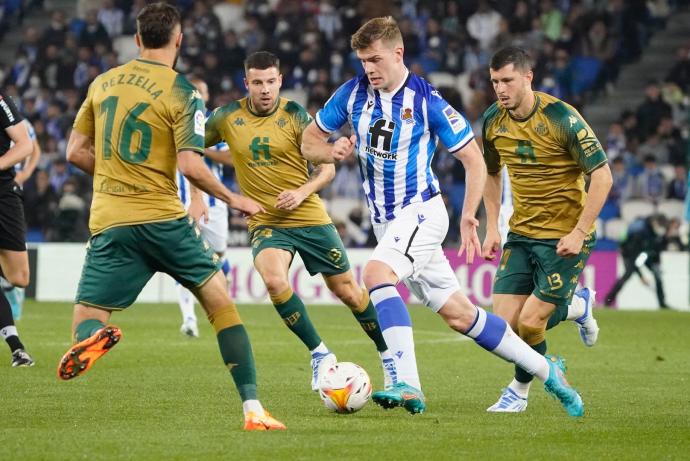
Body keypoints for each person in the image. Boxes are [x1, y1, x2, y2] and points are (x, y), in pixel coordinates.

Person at [301, 17, 584, 417]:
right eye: (363, 60)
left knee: (376, 275)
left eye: (375, 59)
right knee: (460, 315)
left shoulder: (426, 100)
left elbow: (473, 160)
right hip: (389, 224)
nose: (369, 69)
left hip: (422, 212)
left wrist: (470, 217)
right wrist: (331, 152)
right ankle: (549, 372)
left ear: (398, 53)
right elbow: (309, 142)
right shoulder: (351, 94)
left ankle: (407, 383)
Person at [56, 3, 285, 431]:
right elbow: (191, 165)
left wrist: (116, 175)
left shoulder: (102, 83)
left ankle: (92, 338)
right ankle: (253, 408)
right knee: (220, 305)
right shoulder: (183, 91)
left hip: (111, 220)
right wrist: (233, 199)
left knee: (87, 315)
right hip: (164, 218)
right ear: (178, 40)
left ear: (138, 39)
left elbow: (73, 152)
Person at [205, 51, 395, 392]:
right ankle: (320, 353)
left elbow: (326, 168)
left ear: (280, 81)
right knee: (274, 281)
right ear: (246, 83)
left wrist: (303, 189)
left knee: (349, 292)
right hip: (266, 222)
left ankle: (389, 358)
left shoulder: (294, 115)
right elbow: (189, 146)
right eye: (258, 83)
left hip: (308, 216)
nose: (265, 90)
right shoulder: (225, 117)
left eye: (271, 82)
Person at [481, 46, 612, 413]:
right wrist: (493, 227)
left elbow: (602, 176)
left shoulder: (561, 118)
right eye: (494, 82)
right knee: (504, 326)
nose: (500, 89)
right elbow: (491, 173)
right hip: (521, 233)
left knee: (531, 322)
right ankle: (578, 307)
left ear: (527, 77)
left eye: (507, 80)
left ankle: (518, 393)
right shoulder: (492, 120)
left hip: (565, 235)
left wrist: (580, 231)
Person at [175, 77, 231, 338]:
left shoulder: (214, 124)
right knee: (183, 258)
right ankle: (188, 318)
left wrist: (199, 148)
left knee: (218, 255)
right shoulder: (176, 120)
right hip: (182, 200)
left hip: (215, 203)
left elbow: (230, 158)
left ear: (206, 96)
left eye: (202, 90)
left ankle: (216, 299)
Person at [0, 91, 35, 367]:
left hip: (3, 193)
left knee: (20, 277)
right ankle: (16, 346)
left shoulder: (0, 100)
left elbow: (25, 145)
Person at [1, 118, 42, 321]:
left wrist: (24, 174)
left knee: (18, 273)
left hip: (9, 190)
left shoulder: (23, 124)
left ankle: (13, 293)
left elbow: (34, 149)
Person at [604, 214, 669, 309]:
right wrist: (641, 276)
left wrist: (657, 263)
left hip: (644, 253)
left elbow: (656, 249)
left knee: (657, 274)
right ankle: (607, 301)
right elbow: (634, 257)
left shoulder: (656, 232)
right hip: (629, 253)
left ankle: (662, 304)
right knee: (627, 274)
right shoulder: (639, 230)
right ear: (655, 223)